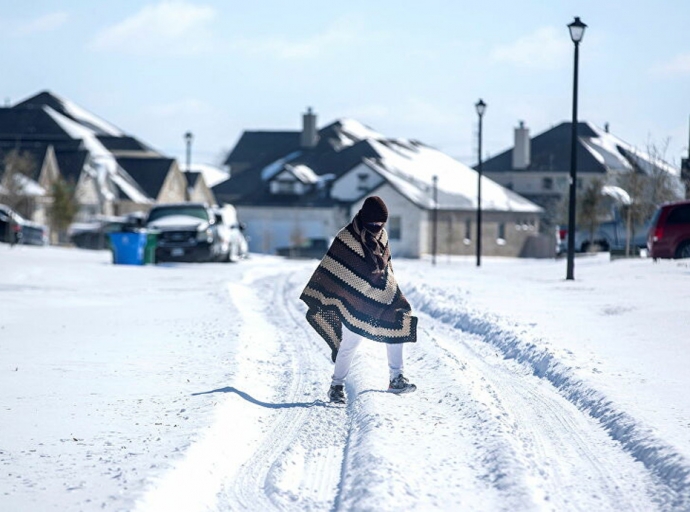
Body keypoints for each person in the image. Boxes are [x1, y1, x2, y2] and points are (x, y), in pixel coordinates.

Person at [300, 196, 418, 404]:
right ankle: (336, 386)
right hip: (354, 300)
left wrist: (390, 289)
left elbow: (386, 267)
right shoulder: (346, 237)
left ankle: (396, 378)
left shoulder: (382, 235)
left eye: (381, 223)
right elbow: (334, 267)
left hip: (381, 296)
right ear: (365, 219)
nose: (377, 227)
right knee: (349, 344)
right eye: (374, 223)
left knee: (398, 324)